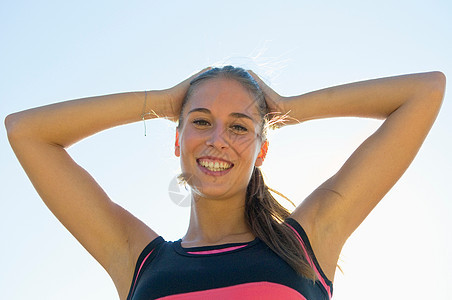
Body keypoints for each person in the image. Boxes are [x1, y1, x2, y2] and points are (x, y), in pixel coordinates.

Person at [5, 66, 445, 300]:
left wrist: (289, 107)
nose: (217, 140)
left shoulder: (307, 242)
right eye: (201, 121)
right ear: (178, 141)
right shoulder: (139, 260)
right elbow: (26, 131)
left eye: (239, 127)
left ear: (262, 150)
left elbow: (425, 91)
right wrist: (161, 102)